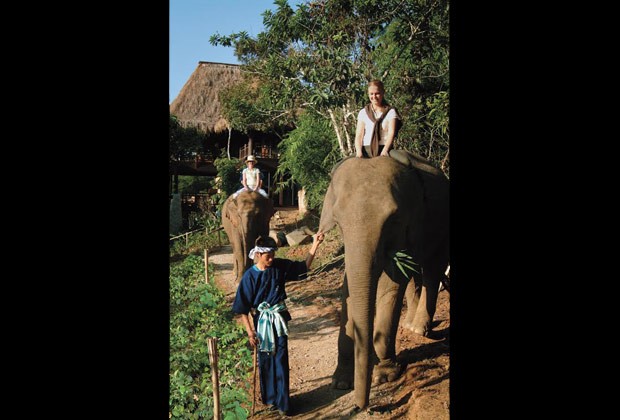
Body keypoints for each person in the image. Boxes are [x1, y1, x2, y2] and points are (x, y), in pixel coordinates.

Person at [232, 232, 325, 416]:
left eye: (273, 255)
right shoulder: (249, 277)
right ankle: (270, 400)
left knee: (280, 359)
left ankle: (284, 403)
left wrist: (315, 244)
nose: (272, 259)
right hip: (261, 323)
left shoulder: (279, 266)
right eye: (268, 256)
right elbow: (242, 309)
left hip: (279, 319)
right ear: (258, 255)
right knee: (266, 359)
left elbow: (303, 267)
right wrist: (251, 333)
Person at [355, 80, 402, 158]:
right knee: (337, 166)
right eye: (371, 94)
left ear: (383, 93)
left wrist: (385, 150)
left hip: (384, 148)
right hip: (366, 149)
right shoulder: (363, 112)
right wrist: (359, 152)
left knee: (405, 161)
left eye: (377, 93)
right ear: (368, 94)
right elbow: (359, 135)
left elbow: (391, 133)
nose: (374, 97)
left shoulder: (391, 112)